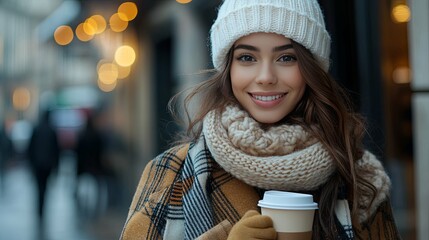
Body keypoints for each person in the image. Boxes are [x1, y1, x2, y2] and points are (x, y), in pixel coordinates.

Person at [120, 0, 401, 239]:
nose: (266, 77)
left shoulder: (359, 177)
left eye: (287, 58)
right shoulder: (172, 173)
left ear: (311, 69)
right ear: (227, 69)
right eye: (247, 57)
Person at [27, 110, 60, 218]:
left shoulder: (36, 129)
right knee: (44, 187)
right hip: (48, 164)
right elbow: (56, 150)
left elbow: (30, 148)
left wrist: (31, 162)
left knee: (39, 187)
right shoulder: (52, 130)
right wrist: (56, 165)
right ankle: (42, 207)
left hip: (38, 164)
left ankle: (40, 208)